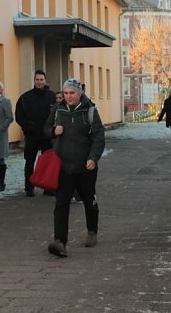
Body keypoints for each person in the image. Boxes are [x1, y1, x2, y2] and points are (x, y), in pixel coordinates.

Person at [43, 78, 105, 258]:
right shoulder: (58, 110)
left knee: (89, 200)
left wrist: (93, 158)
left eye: (72, 93)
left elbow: (99, 137)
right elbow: (46, 128)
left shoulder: (90, 111)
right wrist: (53, 131)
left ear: (80, 93)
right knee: (61, 203)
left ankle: (92, 231)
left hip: (85, 166)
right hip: (63, 167)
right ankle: (60, 242)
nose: (68, 96)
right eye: (66, 93)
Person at [15, 70, 56, 197]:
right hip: (31, 136)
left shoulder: (52, 96)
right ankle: (29, 187)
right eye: (37, 80)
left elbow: (58, 113)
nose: (39, 82)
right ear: (34, 81)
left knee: (47, 162)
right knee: (29, 162)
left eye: (41, 80)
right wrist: (27, 127)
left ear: (45, 81)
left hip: (47, 136)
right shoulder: (25, 97)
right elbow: (19, 116)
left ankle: (47, 187)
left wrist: (53, 129)